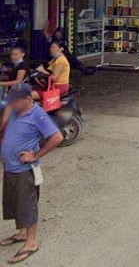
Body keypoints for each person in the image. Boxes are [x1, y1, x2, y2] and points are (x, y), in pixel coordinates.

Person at [0, 84, 63, 264]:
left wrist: (34, 155)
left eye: (16, 100)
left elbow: (57, 137)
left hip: (24, 170)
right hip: (10, 167)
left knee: (27, 205)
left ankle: (31, 242)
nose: (12, 103)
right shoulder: (15, 110)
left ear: (28, 99)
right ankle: (22, 233)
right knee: (15, 203)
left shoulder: (38, 115)